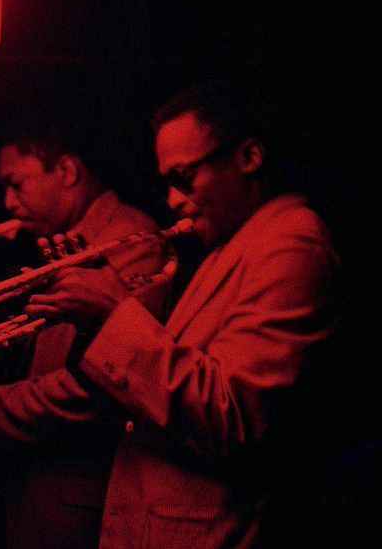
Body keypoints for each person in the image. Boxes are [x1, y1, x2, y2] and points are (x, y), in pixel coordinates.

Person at [24, 82, 341, 548]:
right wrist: (97, 317)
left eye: (184, 178)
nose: (172, 202)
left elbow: (231, 416)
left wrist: (114, 315)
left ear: (249, 157)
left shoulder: (293, 243)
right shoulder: (231, 245)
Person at [0, 116, 171, 549]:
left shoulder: (132, 243)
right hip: (39, 499)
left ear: (67, 171)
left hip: (78, 513)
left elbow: (94, 394)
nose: (8, 203)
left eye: (17, 184)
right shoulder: (73, 243)